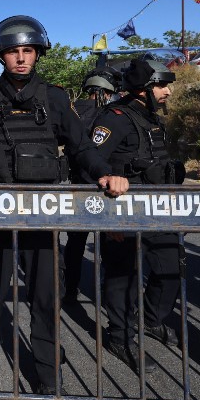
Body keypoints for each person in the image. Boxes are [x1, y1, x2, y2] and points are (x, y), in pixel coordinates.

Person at [0, 16, 128, 400]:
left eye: (28, 51)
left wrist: (103, 174)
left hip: (42, 215)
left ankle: (50, 384)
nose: (21, 58)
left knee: (46, 301)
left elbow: (80, 148)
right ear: (1, 55)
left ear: (37, 53)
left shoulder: (56, 98)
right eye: (13, 51)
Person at [89, 58, 186, 374]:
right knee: (123, 278)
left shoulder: (152, 118)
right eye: (161, 85)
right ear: (143, 89)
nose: (168, 92)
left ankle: (150, 319)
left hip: (158, 211)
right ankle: (119, 336)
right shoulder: (114, 118)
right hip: (123, 215)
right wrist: (108, 219)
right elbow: (91, 165)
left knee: (170, 267)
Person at [65, 67, 121, 307]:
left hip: (78, 183)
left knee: (75, 243)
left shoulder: (71, 109)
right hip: (103, 184)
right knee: (109, 244)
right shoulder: (107, 113)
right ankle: (109, 294)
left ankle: (69, 288)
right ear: (104, 92)